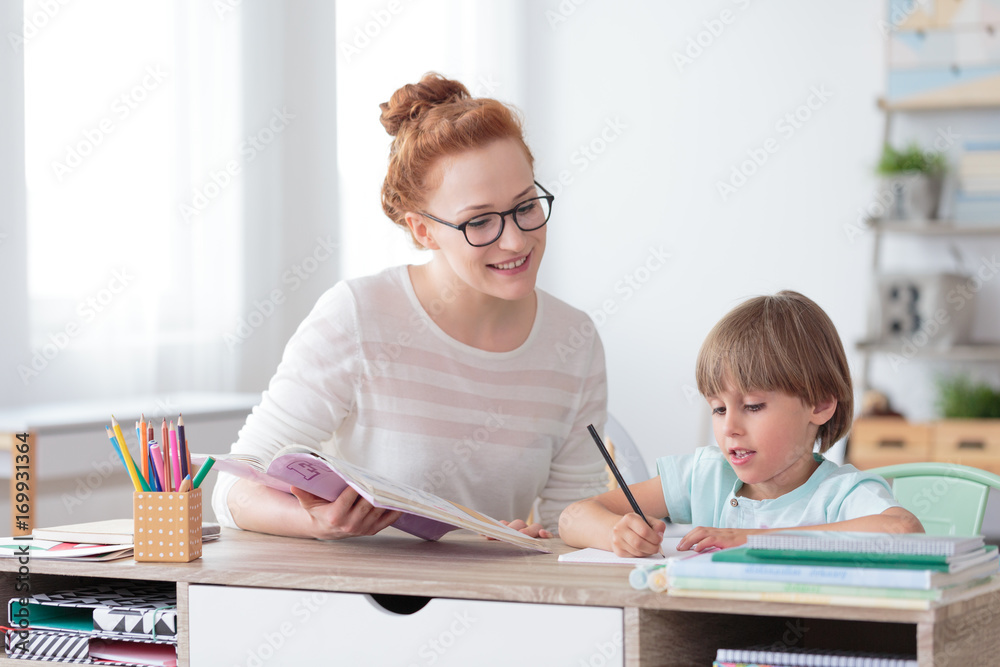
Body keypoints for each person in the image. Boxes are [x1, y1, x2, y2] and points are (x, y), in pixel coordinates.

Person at [212, 73, 608, 541]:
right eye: (479, 221)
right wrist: (319, 523)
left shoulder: (573, 338)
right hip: (360, 599)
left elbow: (574, 519)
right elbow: (233, 491)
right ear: (422, 231)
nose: (517, 240)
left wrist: (535, 539)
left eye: (526, 207)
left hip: (492, 601)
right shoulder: (359, 316)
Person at [559, 290, 923, 557]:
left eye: (752, 406)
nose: (729, 426)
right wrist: (614, 533)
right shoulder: (704, 477)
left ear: (821, 403)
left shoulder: (839, 494)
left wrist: (755, 538)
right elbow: (573, 517)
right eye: (718, 409)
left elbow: (903, 530)